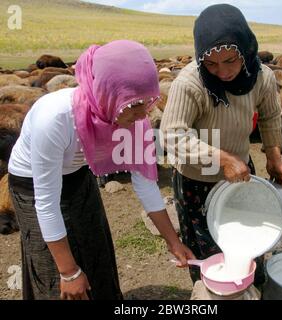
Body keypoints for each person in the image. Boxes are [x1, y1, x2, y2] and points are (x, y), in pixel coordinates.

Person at [8, 40, 194, 300]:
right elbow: (46, 203)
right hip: (32, 183)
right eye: (132, 104)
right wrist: (69, 273)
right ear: (107, 92)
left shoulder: (133, 120)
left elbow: (145, 184)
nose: (143, 114)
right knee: (54, 267)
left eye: (146, 102)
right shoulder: (55, 118)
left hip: (78, 174)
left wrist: (173, 241)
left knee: (95, 248)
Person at [160, 4, 282, 285]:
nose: (223, 71)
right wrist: (222, 159)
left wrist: (274, 155)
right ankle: (212, 292)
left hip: (241, 171)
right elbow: (171, 135)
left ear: (246, 49)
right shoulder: (190, 83)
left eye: (231, 60)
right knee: (210, 252)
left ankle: (250, 286)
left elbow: (270, 115)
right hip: (197, 179)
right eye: (212, 64)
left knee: (248, 235)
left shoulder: (261, 77)